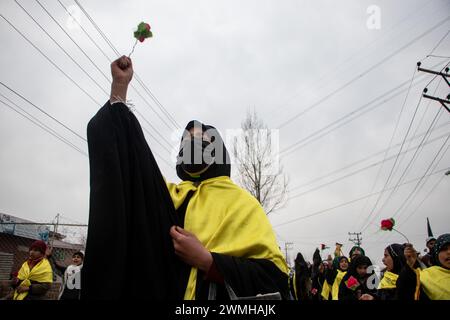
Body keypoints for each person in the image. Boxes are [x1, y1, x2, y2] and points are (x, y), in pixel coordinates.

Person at [82, 56, 289, 300]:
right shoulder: (166, 196)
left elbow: (274, 279)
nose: (192, 145)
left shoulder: (244, 204)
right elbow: (126, 171)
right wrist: (119, 88)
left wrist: (209, 261)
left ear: (218, 151)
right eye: (186, 141)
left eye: (202, 140)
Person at [399, 234, 450, 300]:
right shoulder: (426, 275)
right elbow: (405, 290)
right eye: (444, 249)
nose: (449, 252)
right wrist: (409, 265)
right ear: (437, 254)